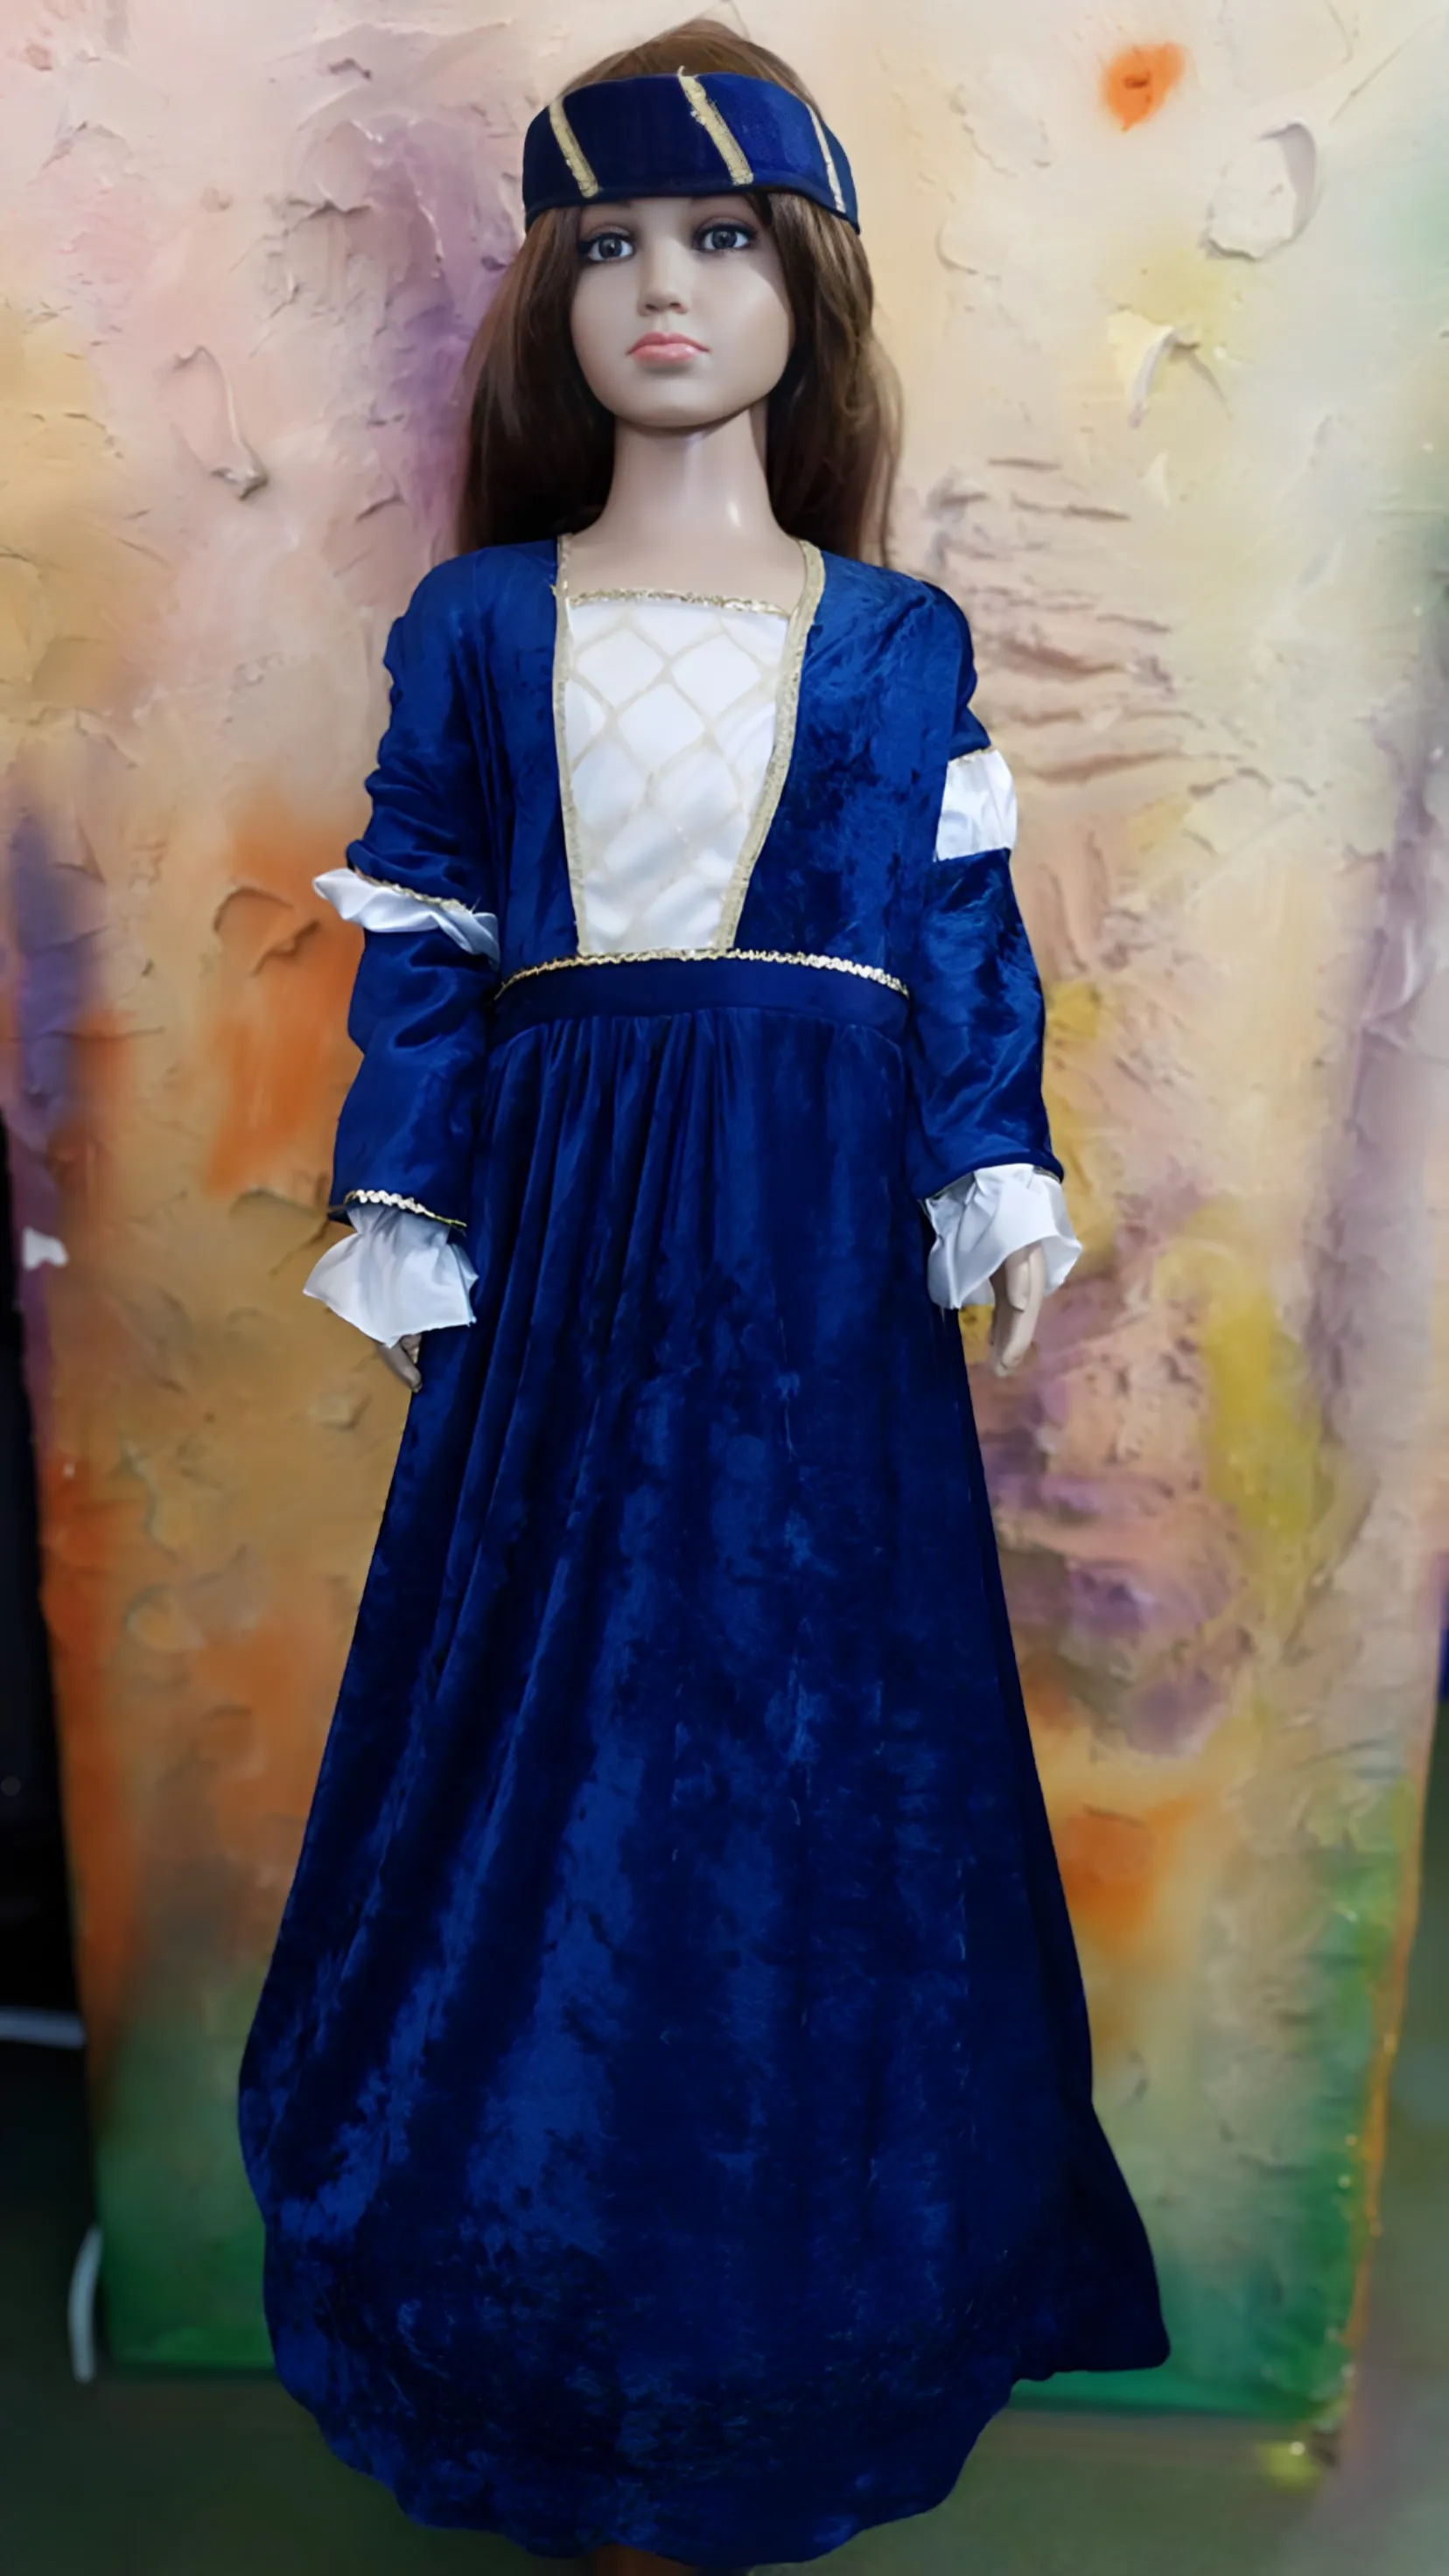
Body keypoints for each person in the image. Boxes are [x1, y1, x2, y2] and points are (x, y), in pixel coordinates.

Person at [237, 22, 1169, 2568]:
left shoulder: (898, 642)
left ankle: (804, 2290)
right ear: (554, 294)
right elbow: (429, 939)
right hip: (567, 1241)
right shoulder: (475, 625)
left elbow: (957, 944)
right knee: (545, 1710)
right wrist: (408, 1203)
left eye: (725, 238)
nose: (665, 288)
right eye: (614, 243)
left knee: (817, 1725)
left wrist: (996, 1176)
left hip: (815, 1252)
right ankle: (526, 2268)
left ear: (805, 286)